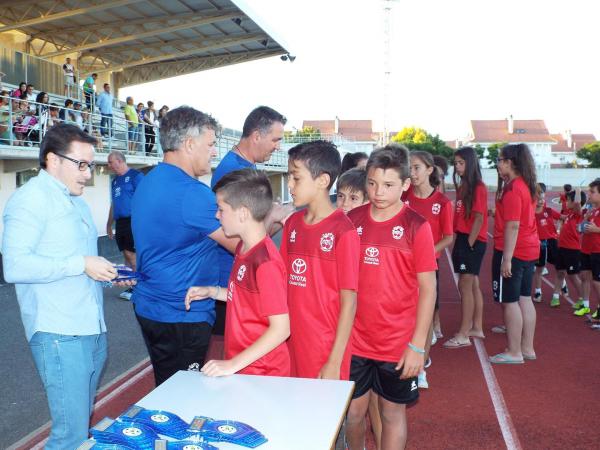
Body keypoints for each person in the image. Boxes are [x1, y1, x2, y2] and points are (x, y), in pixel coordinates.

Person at [2, 124, 121, 449]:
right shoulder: (29, 201)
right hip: (59, 332)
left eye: (91, 165)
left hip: (90, 326)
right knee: (69, 436)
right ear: (53, 161)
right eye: (81, 165)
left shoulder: (77, 202)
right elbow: (14, 266)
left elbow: (84, 263)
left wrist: (106, 271)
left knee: (77, 427)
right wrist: (80, 264)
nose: (88, 174)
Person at [131, 106, 238, 386]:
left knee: (166, 387)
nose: (214, 152)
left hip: (150, 306)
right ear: (190, 145)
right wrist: (274, 217)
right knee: (183, 395)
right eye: (211, 145)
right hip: (182, 313)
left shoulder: (148, 181)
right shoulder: (192, 194)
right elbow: (242, 244)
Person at [345, 143, 437, 450]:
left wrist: (417, 346)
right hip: (355, 340)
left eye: (388, 185)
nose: (378, 192)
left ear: (406, 185)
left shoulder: (416, 226)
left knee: (391, 413)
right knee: (353, 414)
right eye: (372, 183)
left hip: (397, 345)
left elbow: (428, 288)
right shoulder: (352, 220)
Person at [185, 169, 290, 376]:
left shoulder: (265, 263)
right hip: (245, 364)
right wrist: (213, 292)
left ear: (242, 213)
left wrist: (233, 364)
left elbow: (281, 329)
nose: (216, 215)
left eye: (221, 209)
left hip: (263, 372)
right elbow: (246, 298)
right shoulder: (244, 247)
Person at [281, 140, 359, 382]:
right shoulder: (292, 224)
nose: (290, 186)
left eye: (296, 178)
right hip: (290, 340)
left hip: (324, 347)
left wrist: (334, 361)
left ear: (323, 181)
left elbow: (350, 301)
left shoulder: (343, 231)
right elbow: (281, 280)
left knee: (321, 417)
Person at [210, 105, 288, 336]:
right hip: (231, 276)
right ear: (256, 136)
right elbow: (244, 240)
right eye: (275, 139)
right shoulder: (234, 172)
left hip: (237, 274)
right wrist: (274, 216)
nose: (278, 146)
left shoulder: (245, 166)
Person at [405, 150, 453, 389]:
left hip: (426, 269)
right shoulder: (402, 195)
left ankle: (420, 368)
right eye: (409, 168)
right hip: (401, 268)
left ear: (429, 170)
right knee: (406, 317)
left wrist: (425, 253)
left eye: (417, 168)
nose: (412, 173)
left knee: (422, 319)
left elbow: (448, 237)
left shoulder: (442, 203)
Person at [490, 143, 538, 364]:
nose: (498, 164)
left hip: (514, 250)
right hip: (530, 248)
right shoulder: (527, 185)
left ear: (509, 162)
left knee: (510, 301)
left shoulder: (513, 189)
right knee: (524, 299)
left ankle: (514, 351)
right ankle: (527, 348)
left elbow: (512, 225)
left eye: (500, 160)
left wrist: (506, 258)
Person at [445, 147, 488, 346]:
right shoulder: (465, 186)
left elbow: (479, 217)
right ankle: (476, 327)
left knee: (465, 285)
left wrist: (469, 244)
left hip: (471, 240)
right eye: (456, 163)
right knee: (473, 285)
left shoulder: (478, 187)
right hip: (465, 238)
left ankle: (463, 335)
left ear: (470, 163)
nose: (457, 166)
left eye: (461, 163)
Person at [106, 150, 144, 301]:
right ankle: (133, 284)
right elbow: (114, 204)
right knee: (126, 256)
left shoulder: (136, 176)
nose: (108, 165)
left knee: (132, 255)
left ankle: (139, 288)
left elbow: (146, 199)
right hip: (120, 222)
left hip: (133, 220)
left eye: (110, 162)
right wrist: (109, 224)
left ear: (120, 161)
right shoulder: (115, 181)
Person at [550, 189, 585, 308]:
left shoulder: (577, 214)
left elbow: (577, 204)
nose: (566, 202)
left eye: (569, 200)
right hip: (562, 248)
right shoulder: (569, 214)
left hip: (572, 250)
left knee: (573, 275)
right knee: (559, 272)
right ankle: (555, 297)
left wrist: (578, 192)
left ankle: (582, 299)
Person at [532, 183, 561, 303]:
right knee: (539, 269)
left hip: (552, 241)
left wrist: (558, 229)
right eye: (538, 198)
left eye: (542, 198)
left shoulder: (548, 211)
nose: (540, 201)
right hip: (539, 243)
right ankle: (538, 291)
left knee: (558, 267)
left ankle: (561, 285)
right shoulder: (531, 213)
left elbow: (562, 217)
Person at [583, 179, 600, 325]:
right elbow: (582, 229)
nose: (589, 194)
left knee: (597, 282)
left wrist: (596, 229)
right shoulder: (594, 210)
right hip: (593, 250)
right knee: (595, 281)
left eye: (592, 192)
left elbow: (594, 230)